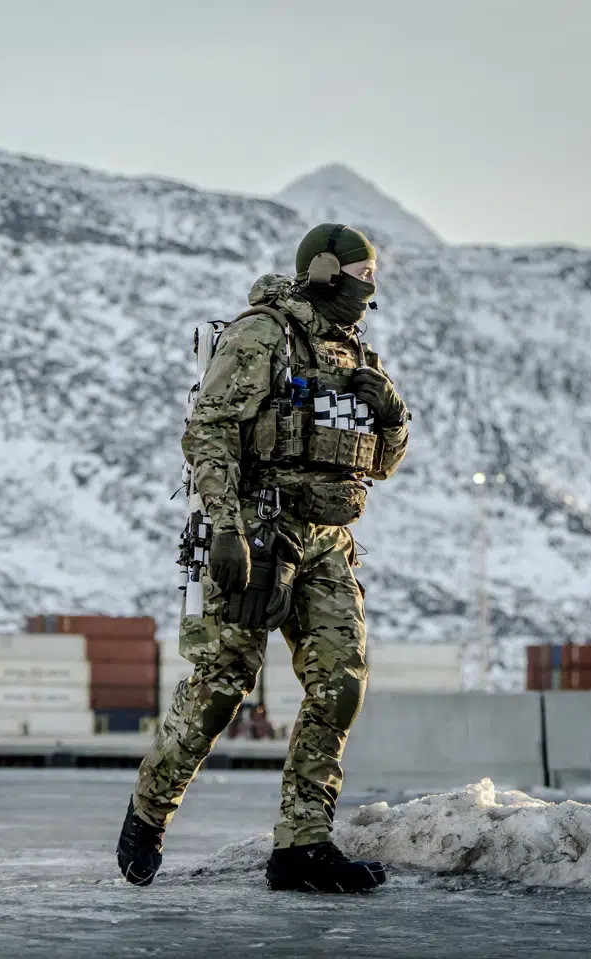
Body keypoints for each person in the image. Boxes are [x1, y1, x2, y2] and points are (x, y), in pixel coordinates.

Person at [117, 224, 410, 893]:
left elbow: (382, 464)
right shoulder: (263, 335)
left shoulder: (356, 356)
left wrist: (392, 417)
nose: (371, 292)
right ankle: (149, 810)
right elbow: (210, 429)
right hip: (259, 530)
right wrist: (224, 524)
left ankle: (303, 843)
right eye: (364, 278)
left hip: (329, 541)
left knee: (341, 686)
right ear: (328, 273)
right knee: (222, 687)